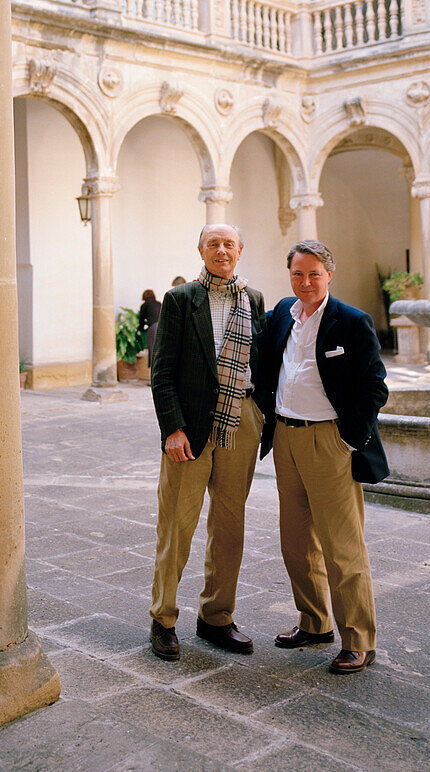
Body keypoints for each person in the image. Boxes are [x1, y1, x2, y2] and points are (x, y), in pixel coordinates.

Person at [258, 240, 389, 675]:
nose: (306, 281)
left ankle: (359, 640)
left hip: (329, 442)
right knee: (295, 542)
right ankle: (314, 623)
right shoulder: (281, 313)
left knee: (342, 547)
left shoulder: (352, 321)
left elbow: (375, 386)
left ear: (329, 275)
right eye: (298, 273)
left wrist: (348, 440)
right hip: (286, 439)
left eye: (314, 273)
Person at [149, 224, 267, 661]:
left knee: (230, 524)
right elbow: (161, 372)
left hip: (240, 422)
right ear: (200, 250)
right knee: (177, 525)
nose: (222, 250)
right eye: (213, 244)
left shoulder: (253, 300)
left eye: (229, 244)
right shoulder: (181, 300)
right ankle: (163, 618)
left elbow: (263, 360)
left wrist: (262, 414)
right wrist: (172, 429)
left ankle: (217, 616)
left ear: (240, 251)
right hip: (191, 430)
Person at [138, 289, 162, 365]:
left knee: (152, 349)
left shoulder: (144, 305)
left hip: (153, 327)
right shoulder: (159, 304)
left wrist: (141, 330)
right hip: (162, 327)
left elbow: (141, 320)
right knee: (161, 348)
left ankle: (153, 370)